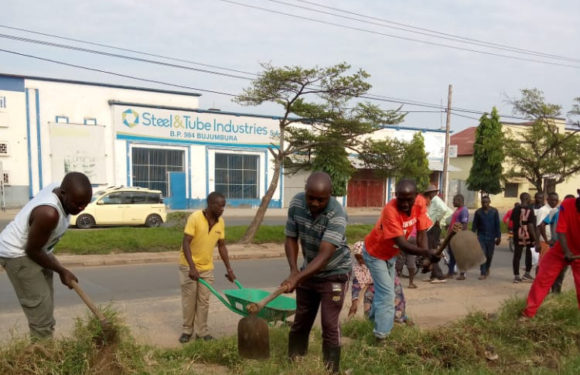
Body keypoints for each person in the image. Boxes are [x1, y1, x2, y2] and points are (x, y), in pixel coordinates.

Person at [0, 172, 92, 340]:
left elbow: (38, 248)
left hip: (38, 249)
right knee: (40, 315)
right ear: (63, 193)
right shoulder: (49, 213)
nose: (81, 209)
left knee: (45, 305)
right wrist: (62, 270)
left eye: (85, 204)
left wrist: (59, 270)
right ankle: (43, 358)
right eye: (77, 204)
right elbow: (32, 251)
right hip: (18, 254)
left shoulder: (61, 187)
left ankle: (44, 341)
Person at [282, 172, 352, 373]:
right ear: (305, 192)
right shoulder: (296, 204)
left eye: (320, 199)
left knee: (329, 324)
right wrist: (294, 270)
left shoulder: (337, 214)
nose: (314, 202)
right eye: (310, 197)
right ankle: (295, 362)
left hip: (335, 273)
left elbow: (324, 256)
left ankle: (332, 370)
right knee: (301, 319)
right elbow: (290, 238)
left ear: (330, 195)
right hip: (308, 272)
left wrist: (297, 278)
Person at [362, 179, 438, 342]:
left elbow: (422, 233)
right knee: (387, 295)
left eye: (408, 199)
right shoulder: (390, 211)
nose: (404, 203)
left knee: (384, 293)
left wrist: (426, 257)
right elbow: (402, 244)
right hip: (374, 254)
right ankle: (381, 337)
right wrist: (426, 252)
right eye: (401, 199)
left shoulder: (420, 203)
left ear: (416, 197)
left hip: (390, 255)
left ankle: (372, 321)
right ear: (396, 196)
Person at [178, 192, 236, 343]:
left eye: (224, 206)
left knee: (204, 301)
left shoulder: (220, 222)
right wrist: (192, 267)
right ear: (210, 204)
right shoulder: (195, 217)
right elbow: (186, 243)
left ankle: (202, 332)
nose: (222, 209)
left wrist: (229, 269)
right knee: (190, 300)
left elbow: (222, 246)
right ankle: (187, 330)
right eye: (220, 205)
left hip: (206, 267)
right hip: (188, 265)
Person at [522, 190, 580, 318]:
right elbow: (561, 230)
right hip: (560, 250)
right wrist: (566, 252)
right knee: (542, 279)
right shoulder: (567, 204)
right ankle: (528, 314)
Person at [348, 241, 409, 324]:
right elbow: (356, 285)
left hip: (390, 285)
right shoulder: (359, 268)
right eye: (357, 258)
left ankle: (399, 322)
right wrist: (354, 303)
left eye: (361, 257)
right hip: (372, 289)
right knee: (369, 309)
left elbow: (389, 280)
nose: (360, 261)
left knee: (394, 307)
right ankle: (372, 324)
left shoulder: (380, 263)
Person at [422, 184, 453, 283]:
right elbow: (448, 211)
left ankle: (439, 275)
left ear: (432, 193)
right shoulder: (433, 201)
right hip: (432, 227)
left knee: (433, 252)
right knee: (432, 250)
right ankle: (433, 275)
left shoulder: (436, 199)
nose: (428, 195)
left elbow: (444, 210)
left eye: (429, 193)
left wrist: (439, 220)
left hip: (434, 228)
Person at [548, 194, 575, 293]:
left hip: (567, 248)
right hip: (558, 247)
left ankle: (556, 291)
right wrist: (549, 239)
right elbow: (543, 224)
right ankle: (554, 291)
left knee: (561, 271)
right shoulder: (556, 212)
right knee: (556, 271)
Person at [471, 196, 501, 280]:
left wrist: (498, 236)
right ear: (481, 203)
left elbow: (497, 225)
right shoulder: (478, 212)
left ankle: (487, 268)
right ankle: (482, 272)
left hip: (491, 236)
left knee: (489, 255)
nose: (485, 204)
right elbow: (474, 225)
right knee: (483, 254)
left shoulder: (494, 211)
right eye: (483, 202)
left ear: (489, 202)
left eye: (486, 202)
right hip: (481, 236)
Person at [510, 192, 536, 283]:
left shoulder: (515, 209)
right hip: (528, 234)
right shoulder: (530, 209)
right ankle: (527, 273)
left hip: (518, 234)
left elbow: (512, 221)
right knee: (529, 254)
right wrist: (535, 238)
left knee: (517, 255)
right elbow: (530, 225)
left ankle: (516, 276)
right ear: (527, 199)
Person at [446, 194, 469, 280]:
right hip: (452, 236)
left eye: (454, 200)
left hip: (458, 237)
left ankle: (463, 274)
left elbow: (464, 225)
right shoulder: (457, 210)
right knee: (452, 255)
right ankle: (450, 273)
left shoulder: (464, 210)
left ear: (459, 201)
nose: (453, 202)